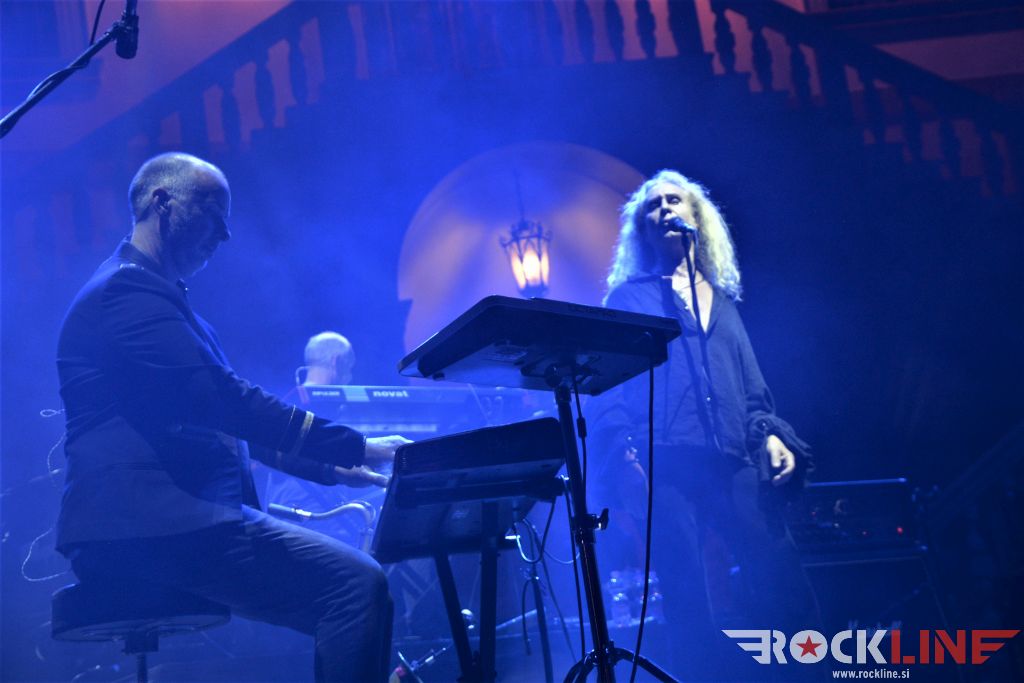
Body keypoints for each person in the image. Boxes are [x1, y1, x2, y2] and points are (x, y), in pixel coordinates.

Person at [55, 152, 408, 683]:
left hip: (173, 520)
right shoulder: (125, 294)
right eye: (213, 215)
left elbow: (220, 420)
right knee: (356, 587)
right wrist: (357, 445)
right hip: (149, 524)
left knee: (344, 596)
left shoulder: (160, 301)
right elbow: (227, 401)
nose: (224, 235)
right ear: (162, 203)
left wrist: (330, 468)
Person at [591, 169, 819, 679]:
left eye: (675, 201)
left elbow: (753, 391)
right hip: (665, 462)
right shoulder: (629, 299)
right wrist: (625, 459)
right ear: (643, 230)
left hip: (732, 457)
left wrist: (773, 435)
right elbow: (608, 388)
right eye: (653, 206)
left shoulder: (722, 302)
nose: (664, 210)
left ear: (696, 217)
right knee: (687, 590)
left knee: (779, 571)